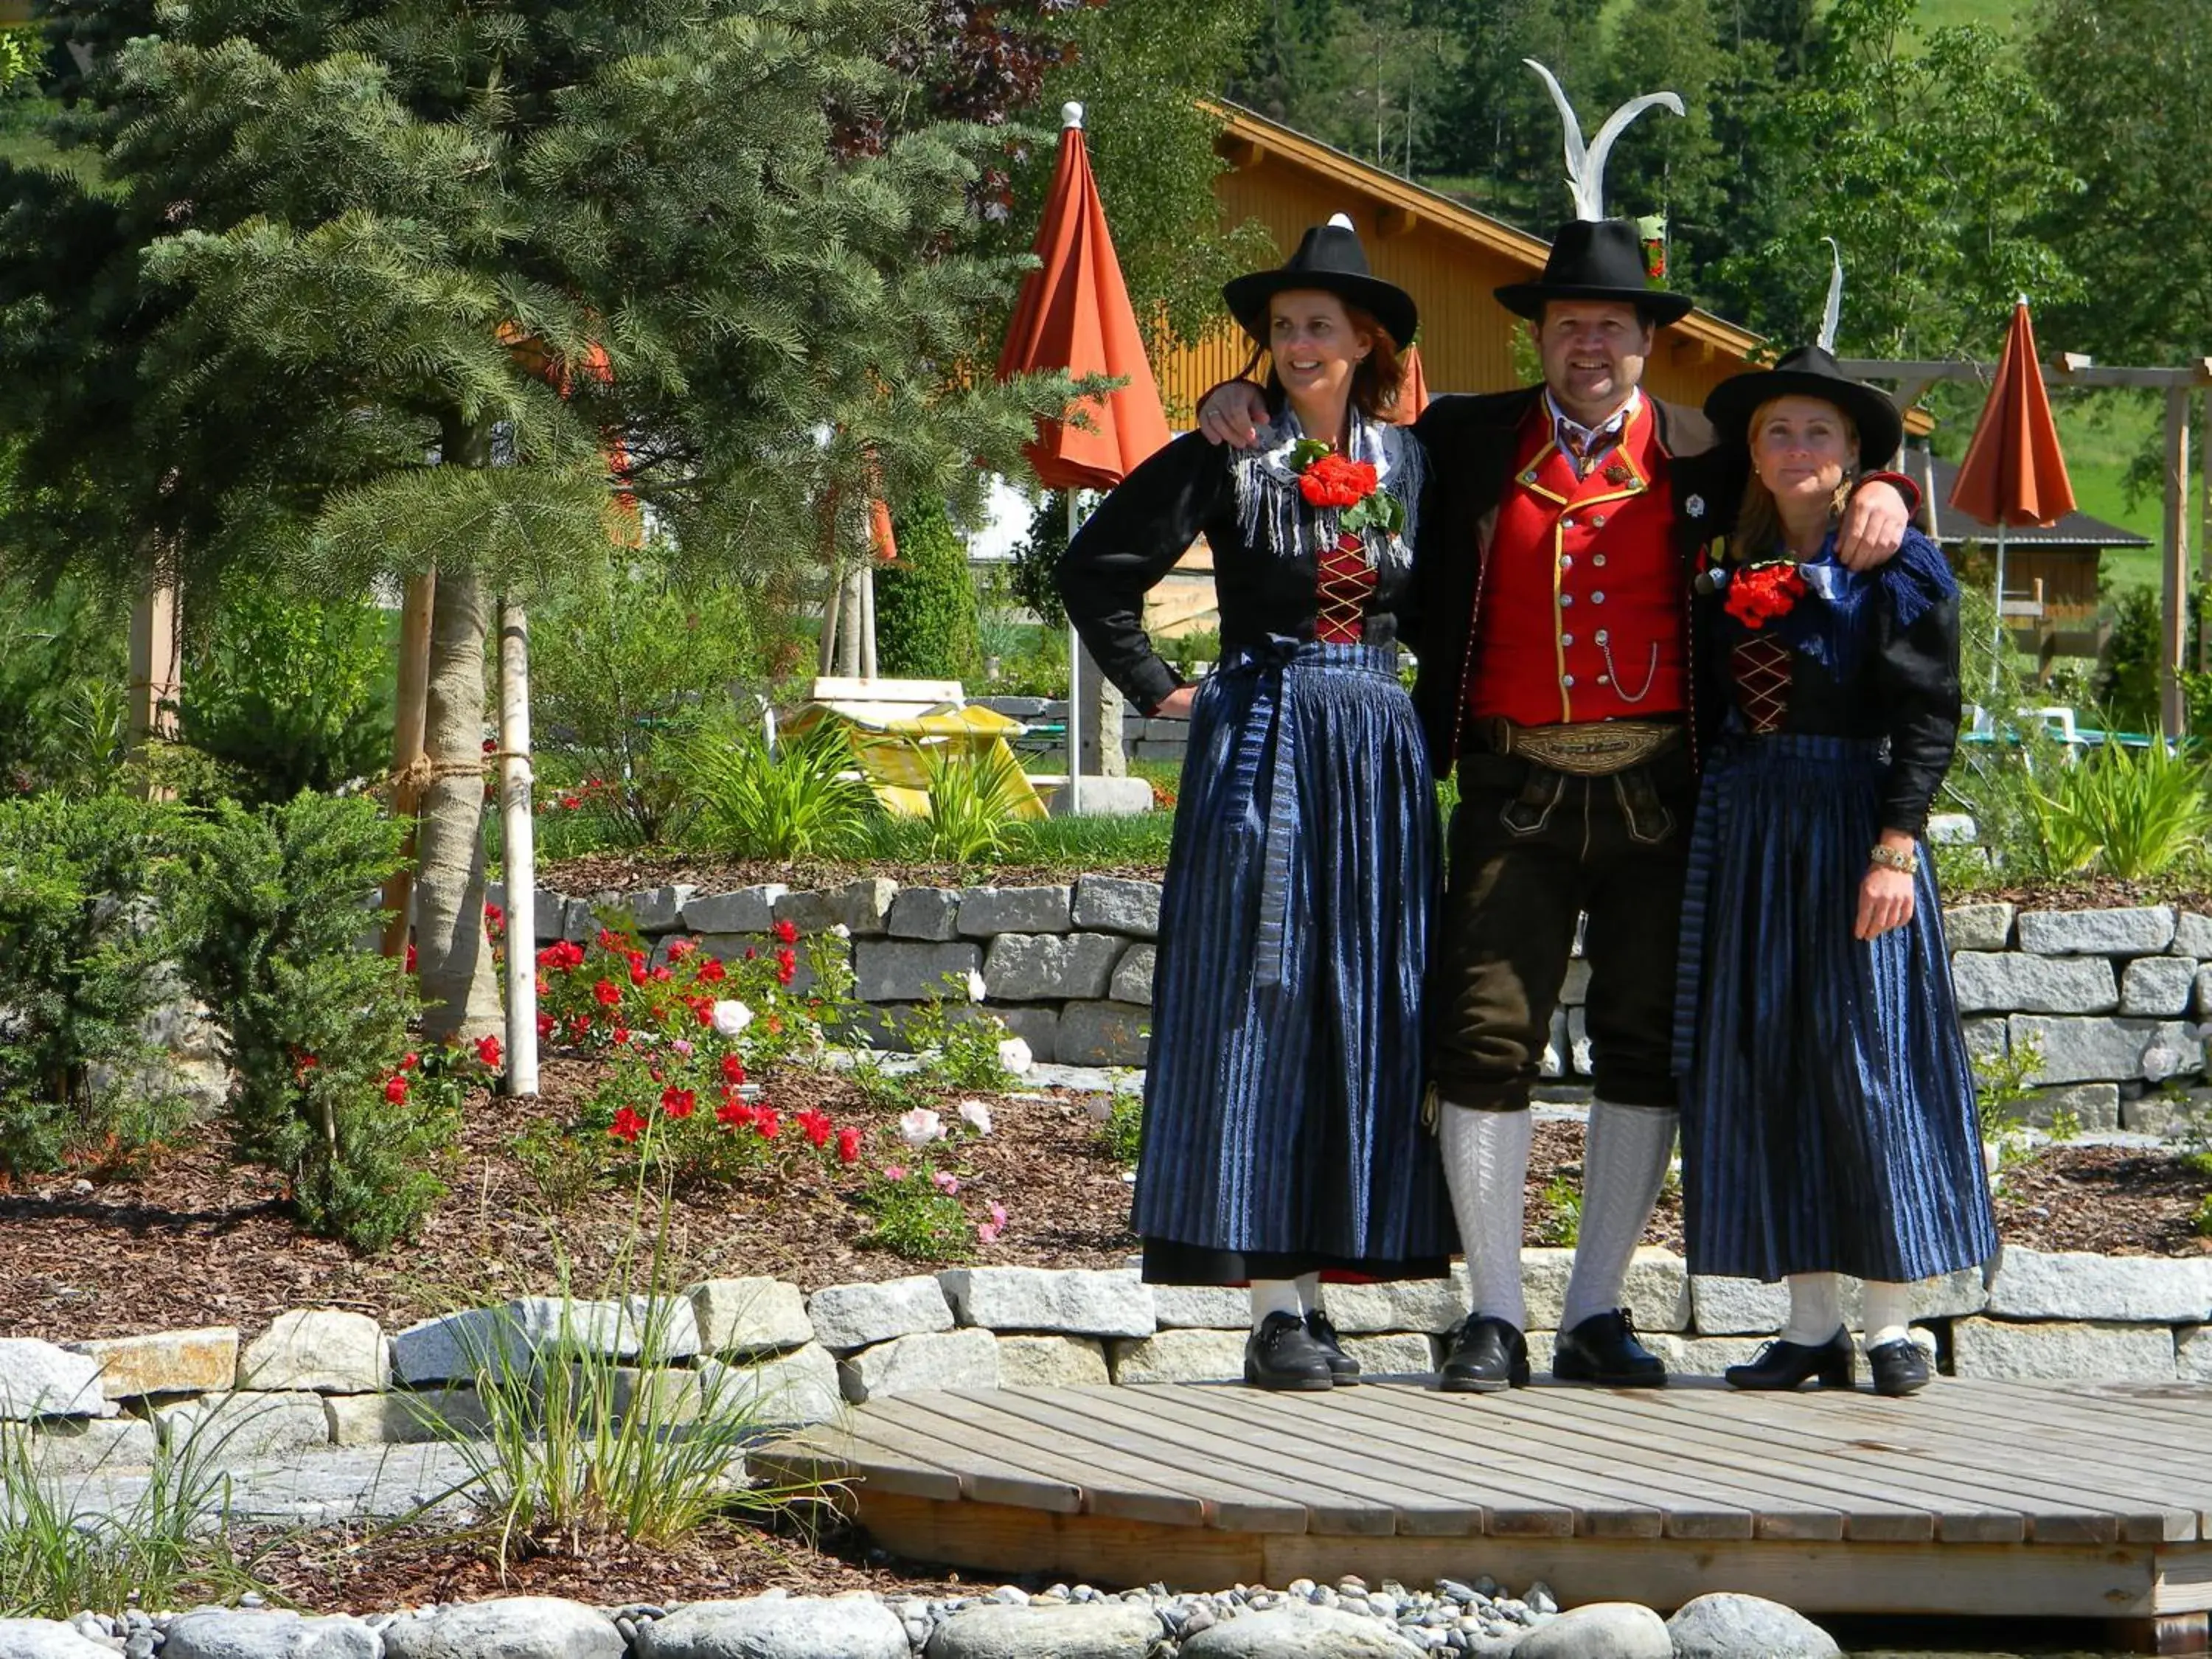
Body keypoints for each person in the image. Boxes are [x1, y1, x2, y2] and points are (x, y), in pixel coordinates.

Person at [1196, 76, 1921, 1394]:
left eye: (1617, 328)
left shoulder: (1707, 458)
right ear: (1542, 334)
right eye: (1572, 325)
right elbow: (1327, 425)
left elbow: (1810, 465)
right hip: (1512, 783)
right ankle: (1491, 1311)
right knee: (1483, 1035)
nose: (1593, 346)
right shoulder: (1463, 444)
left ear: (1648, 343)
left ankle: (1594, 1310)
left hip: (1663, 791)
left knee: (1647, 1043)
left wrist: (1883, 486)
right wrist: (1236, 405)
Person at [1057, 218, 1455, 1391]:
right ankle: (1278, 1306)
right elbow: (1096, 570)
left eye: (1318, 326)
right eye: (1280, 329)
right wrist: (1160, 689)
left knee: (1368, 1002)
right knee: (1263, 997)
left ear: (1367, 339)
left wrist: (1432, 735)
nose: (1295, 343)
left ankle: (1335, 1286)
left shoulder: (1416, 462)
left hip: (1376, 748)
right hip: (1267, 734)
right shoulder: (1226, 452)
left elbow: (1441, 613)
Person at [1676, 341, 1999, 1397]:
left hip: (1857, 821)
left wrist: (1897, 845)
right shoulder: (1723, 546)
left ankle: (1894, 1320)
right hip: (1754, 824)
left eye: (1820, 430)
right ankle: (1810, 1323)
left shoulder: (1896, 562)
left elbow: (1929, 711)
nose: (1799, 446)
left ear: (1853, 449)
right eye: (1780, 430)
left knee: (1869, 1063)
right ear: (1756, 454)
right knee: (1773, 1061)